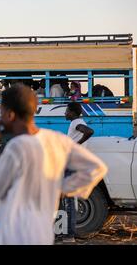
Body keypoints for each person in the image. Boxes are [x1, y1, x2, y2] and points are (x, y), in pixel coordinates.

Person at [0, 84, 107, 245]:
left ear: (10, 114)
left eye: (1, 112)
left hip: (12, 234)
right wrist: (62, 189)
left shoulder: (17, 147)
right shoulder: (57, 140)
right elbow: (96, 168)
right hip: (41, 235)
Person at [61, 102, 95, 242]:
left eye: (67, 111)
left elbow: (89, 131)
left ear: (73, 112)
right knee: (67, 200)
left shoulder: (76, 122)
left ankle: (69, 236)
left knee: (69, 201)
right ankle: (66, 233)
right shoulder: (76, 122)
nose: (65, 113)